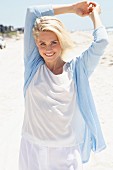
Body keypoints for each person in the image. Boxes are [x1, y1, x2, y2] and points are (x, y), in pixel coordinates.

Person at [19, 1, 109, 170]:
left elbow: (102, 42)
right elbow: (32, 12)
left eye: (54, 42)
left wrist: (94, 15)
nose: (48, 49)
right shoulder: (33, 66)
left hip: (66, 154)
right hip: (32, 149)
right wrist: (72, 8)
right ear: (36, 44)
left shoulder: (77, 69)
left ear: (62, 41)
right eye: (42, 44)